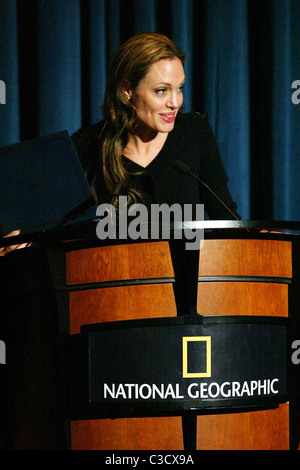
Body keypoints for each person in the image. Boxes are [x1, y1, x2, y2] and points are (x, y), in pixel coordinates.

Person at [72, 32, 239, 221]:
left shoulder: (194, 132)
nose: (175, 102)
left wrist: (266, 239)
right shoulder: (87, 146)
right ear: (127, 90)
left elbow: (227, 215)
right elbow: (60, 232)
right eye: (161, 91)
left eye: (179, 88)